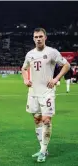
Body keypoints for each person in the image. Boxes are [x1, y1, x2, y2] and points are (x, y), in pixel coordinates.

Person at [21, 28, 70, 163]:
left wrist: (56, 79)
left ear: (45, 37)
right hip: (33, 93)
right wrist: (25, 79)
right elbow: (24, 69)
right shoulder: (30, 54)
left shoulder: (52, 52)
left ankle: (42, 151)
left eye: (40, 36)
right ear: (33, 38)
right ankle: (44, 148)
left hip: (47, 92)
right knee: (37, 120)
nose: (38, 39)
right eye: (36, 37)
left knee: (46, 120)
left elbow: (67, 65)